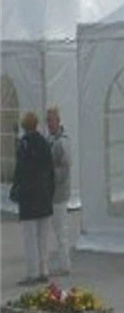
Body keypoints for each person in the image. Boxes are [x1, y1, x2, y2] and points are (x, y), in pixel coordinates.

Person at [11, 111, 55, 285]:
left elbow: (20, 171)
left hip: (29, 198)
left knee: (30, 237)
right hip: (44, 196)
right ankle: (44, 270)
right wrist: (50, 192)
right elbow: (50, 171)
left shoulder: (24, 144)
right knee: (43, 237)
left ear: (23, 126)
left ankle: (32, 272)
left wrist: (16, 189)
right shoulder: (44, 143)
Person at [46, 105, 72, 275]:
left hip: (59, 192)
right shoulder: (51, 140)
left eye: (51, 120)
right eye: (47, 120)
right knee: (56, 229)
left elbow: (65, 167)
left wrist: (49, 174)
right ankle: (62, 262)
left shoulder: (62, 142)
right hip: (51, 192)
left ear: (58, 121)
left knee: (61, 229)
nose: (48, 124)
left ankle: (65, 264)